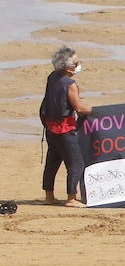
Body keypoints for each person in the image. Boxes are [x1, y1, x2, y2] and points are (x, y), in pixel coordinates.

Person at [39, 46, 91, 207]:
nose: (78, 64)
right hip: (64, 129)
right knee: (76, 163)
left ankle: (49, 196)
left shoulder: (52, 77)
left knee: (53, 161)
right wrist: (97, 111)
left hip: (50, 128)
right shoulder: (70, 84)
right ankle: (71, 198)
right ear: (69, 67)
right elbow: (79, 108)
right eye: (76, 62)